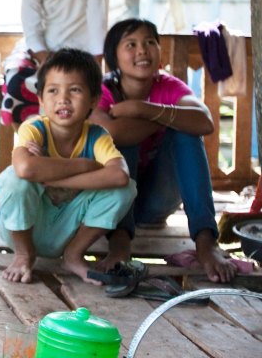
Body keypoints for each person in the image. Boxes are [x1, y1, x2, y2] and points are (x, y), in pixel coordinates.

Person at [90, 18, 237, 283]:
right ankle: (120, 241)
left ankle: (205, 241)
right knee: (123, 141)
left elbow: (204, 121)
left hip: (154, 205)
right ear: (114, 56)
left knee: (186, 133)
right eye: (131, 44)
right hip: (112, 205)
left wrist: (142, 109)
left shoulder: (167, 86)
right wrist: (161, 119)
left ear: (158, 51)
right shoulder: (102, 90)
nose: (142, 50)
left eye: (149, 42)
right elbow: (111, 133)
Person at [0, 48, 136, 284]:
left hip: (68, 231)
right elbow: (26, 170)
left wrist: (49, 175)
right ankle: (23, 255)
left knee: (126, 189)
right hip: (21, 228)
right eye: (53, 90)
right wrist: (84, 165)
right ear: (40, 99)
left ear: (94, 99)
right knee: (14, 180)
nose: (63, 99)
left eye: (75, 90)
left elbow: (120, 176)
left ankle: (72, 255)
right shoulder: (34, 128)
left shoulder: (97, 136)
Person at [0, 0, 109, 127]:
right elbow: (31, 27)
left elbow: (97, 10)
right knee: (15, 83)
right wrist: (49, 63)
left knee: (87, 94)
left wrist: (95, 63)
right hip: (45, 52)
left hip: (86, 53)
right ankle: (31, 148)